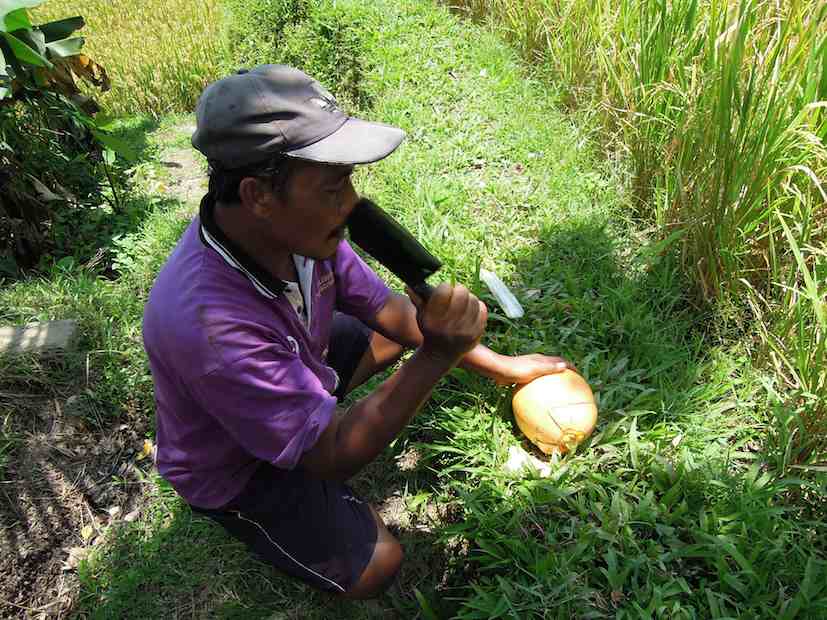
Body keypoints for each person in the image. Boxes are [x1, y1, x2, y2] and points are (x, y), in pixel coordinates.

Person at [142, 64, 572, 599]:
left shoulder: (300, 233)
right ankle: (278, 497)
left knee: (397, 331)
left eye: (348, 180)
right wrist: (436, 355)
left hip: (296, 363)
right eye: (333, 187)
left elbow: (391, 314)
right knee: (377, 566)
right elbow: (334, 455)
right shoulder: (209, 328)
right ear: (257, 195)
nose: (351, 204)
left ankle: (307, 414)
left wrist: (503, 369)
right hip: (237, 469)